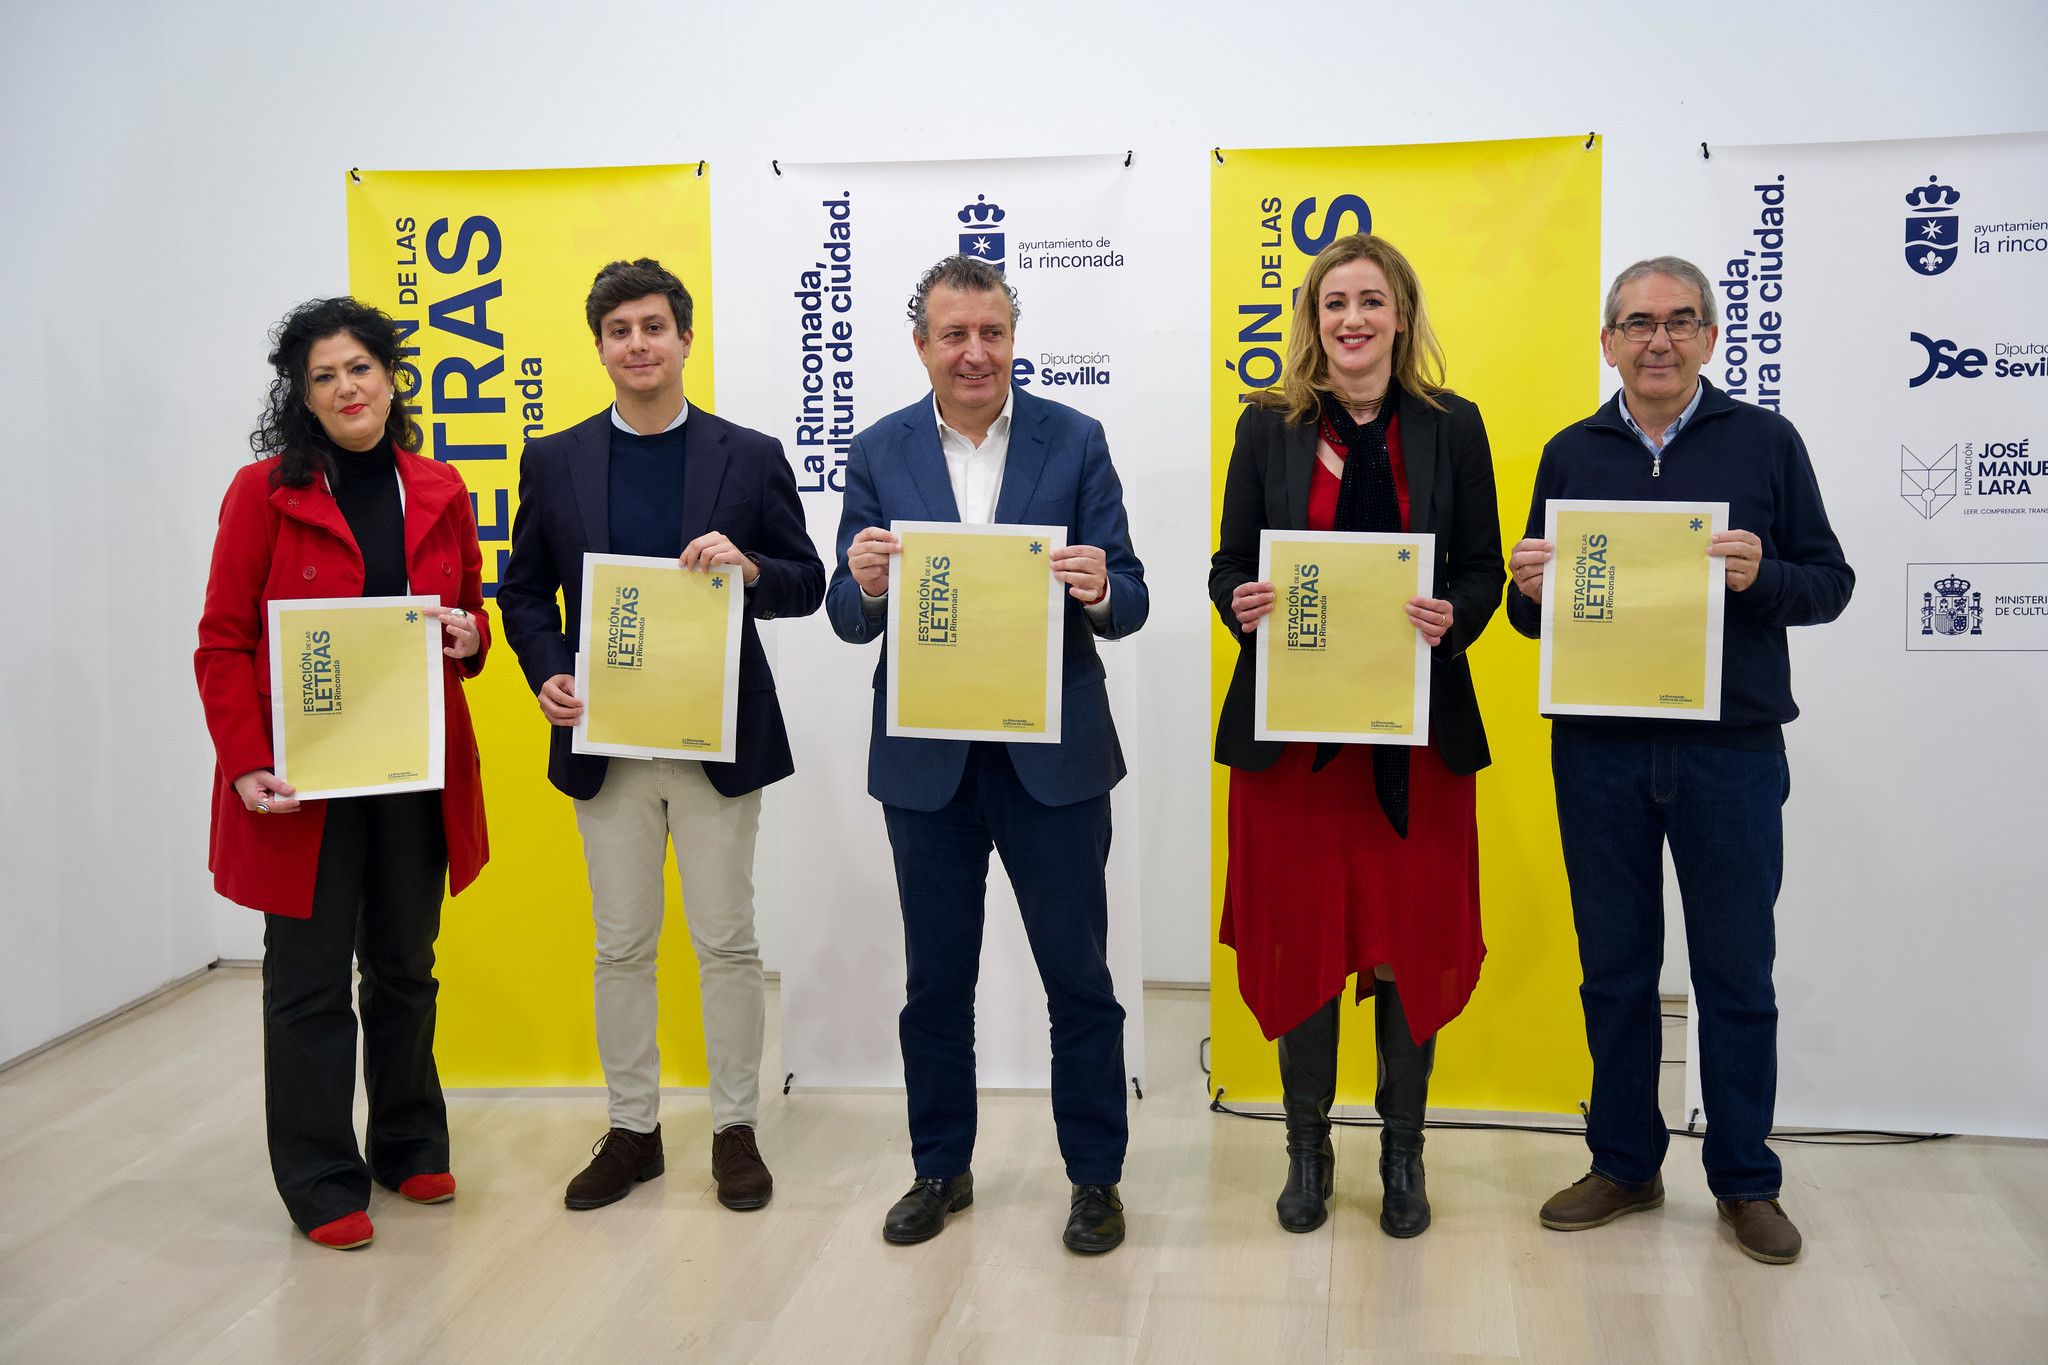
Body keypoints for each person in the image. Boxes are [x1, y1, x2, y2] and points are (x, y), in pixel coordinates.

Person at [1507, 256, 1853, 1265]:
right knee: (1612, 971)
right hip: (1599, 752)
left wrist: (1763, 575)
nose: (1656, 339)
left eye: (1679, 320)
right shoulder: (1568, 454)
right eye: (1635, 323)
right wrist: (1531, 595)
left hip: (1730, 755)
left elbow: (1827, 582)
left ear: (1707, 338)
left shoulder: (1766, 444)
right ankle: (1622, 1162)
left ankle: (1744, 1180)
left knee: (1734, 974)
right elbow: (1541, 621)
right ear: (1606, 341)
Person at [827, 254, 1147, 1254]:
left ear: (1014, 338)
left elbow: (1129, 601)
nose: (975, 351)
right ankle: (939, 1168)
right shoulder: (880, 449)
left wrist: (1097, 586)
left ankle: (1094, 1179)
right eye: (954, 334)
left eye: (992, 332)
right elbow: (845, 617)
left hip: (1052, 763)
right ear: (920, 344)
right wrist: (866, 581)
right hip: (927, 767)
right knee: (935, 985)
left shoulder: (1075, 439)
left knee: (1077, 981)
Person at [498, 258, 823, 1214]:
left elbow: (805, 582)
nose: (637, 343)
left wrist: (751, 566)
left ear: (685, 339)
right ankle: (634, 1130)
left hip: (717, 739)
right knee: (621, 945)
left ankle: (735, 1128)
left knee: (726, 941)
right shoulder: (553, 459)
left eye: (653, 326)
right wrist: (549, 668)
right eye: (619, 330)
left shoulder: (748, 452)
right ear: (598, 347)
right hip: (607, 743)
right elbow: (521, 589)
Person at [1209, 234, 1504, 1239]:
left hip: (1412, 745)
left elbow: (1483, 573)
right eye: (1333, 303)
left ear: (1401, 317)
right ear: (1311, 319)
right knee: (1300, 943)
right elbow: (1226, 566)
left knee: (1400, 951)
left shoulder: (1452, 428)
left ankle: (1401, 1157)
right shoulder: (1266, 430)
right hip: (1294, 748)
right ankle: (1306, 1155)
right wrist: (1238, 601)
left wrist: (1450, 616)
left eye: (1370, 302)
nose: (1351, 321)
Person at [195, 297, 490, 1250]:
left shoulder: (441, 487)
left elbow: (468, 621)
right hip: (304, 782)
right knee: (309, 980)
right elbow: (223, 642)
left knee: (406, 966)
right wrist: (245, 762)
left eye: (358, 368)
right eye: (323, 377)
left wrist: (467, 635)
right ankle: (322, 1176)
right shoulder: (260, 493)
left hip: (410, 769)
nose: (345, 388)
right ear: (304, 398)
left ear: (391, 377)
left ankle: (408, 1142)